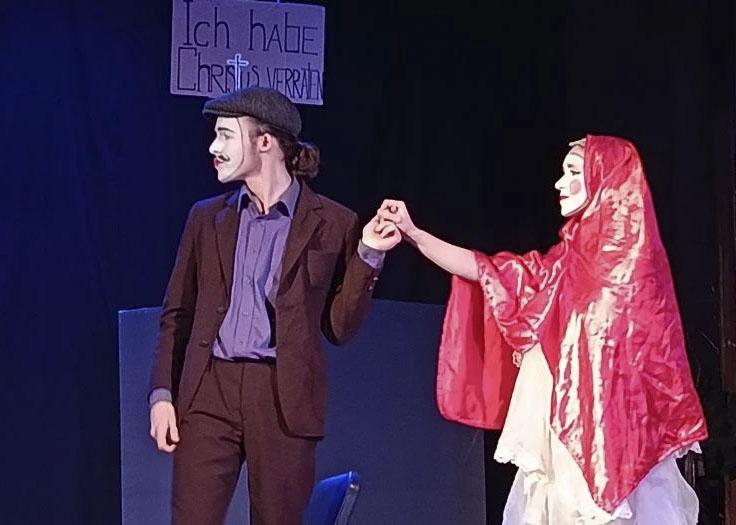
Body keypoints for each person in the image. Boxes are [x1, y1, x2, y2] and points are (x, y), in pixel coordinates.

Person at [377, 135, 707, 524]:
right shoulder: (561, 266)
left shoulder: (634, 274)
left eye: (573, 172)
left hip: (612, 435)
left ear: (604, 179)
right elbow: (487, 270)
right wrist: (414, 234)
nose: (559, 183)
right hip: (560, 431)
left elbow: (651, 365)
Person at [148, 86, 400, 525]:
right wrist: (161, 394)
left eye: (226, 136)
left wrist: (368, 255)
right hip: (210, 388)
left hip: (283, 397)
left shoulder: (333, 222)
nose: (214, 148)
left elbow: (339, 327)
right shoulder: (206, 218)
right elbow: (177, 314)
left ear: (264, 141)